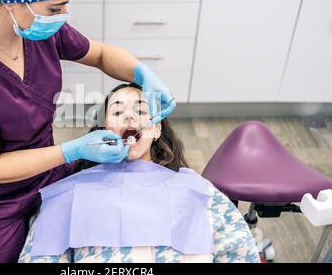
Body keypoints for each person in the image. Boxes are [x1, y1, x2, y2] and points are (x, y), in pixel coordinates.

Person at [0, 0, 175, 262]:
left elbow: (101, 55)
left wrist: (141, 72)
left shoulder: (34, 29)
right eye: (56, 8)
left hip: (46, 173)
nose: (64, 17)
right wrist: (72, 150)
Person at [19, 84, 261, 263]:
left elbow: (238, 249)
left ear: (156, 129)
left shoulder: (195, 189)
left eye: (141, 110)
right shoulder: (70, 192)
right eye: (117, 112)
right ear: (103, 130)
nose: (129, 115)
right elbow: (40, 255)